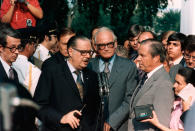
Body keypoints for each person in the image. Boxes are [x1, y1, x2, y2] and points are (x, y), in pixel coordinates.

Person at [34, 35, 100, 131]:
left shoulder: (92, 76)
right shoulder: (52, 72)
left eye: (90, 52)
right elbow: (38, 106)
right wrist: (61, 118)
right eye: (83, 52)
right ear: (70, 51)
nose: (88, 56)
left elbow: (95, 109)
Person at [88, 27, 137, 131]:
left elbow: (130, 99)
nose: (106, 48)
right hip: (92, 125)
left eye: (109, 44)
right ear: (96, 47)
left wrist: (112, 121)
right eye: (101, 45)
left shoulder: (128, 66)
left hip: (118, 126)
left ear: (115, 44)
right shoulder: (89, 66)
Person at [128, 39, 174, 131]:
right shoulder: (147, 76)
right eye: (138, 54)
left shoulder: (163, 84)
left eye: (142, 55)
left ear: (156, 57)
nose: (138, 58)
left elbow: (162, 123)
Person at [0, 23, 36, 131]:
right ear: (1, 48)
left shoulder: (14, 72)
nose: (16, 52)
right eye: (12, 48)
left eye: (18, 47)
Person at [12, 30, 41, 96]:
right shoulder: (34, 71)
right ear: (28, 46)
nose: (34, 49)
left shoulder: (6, 62)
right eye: (34, 45)